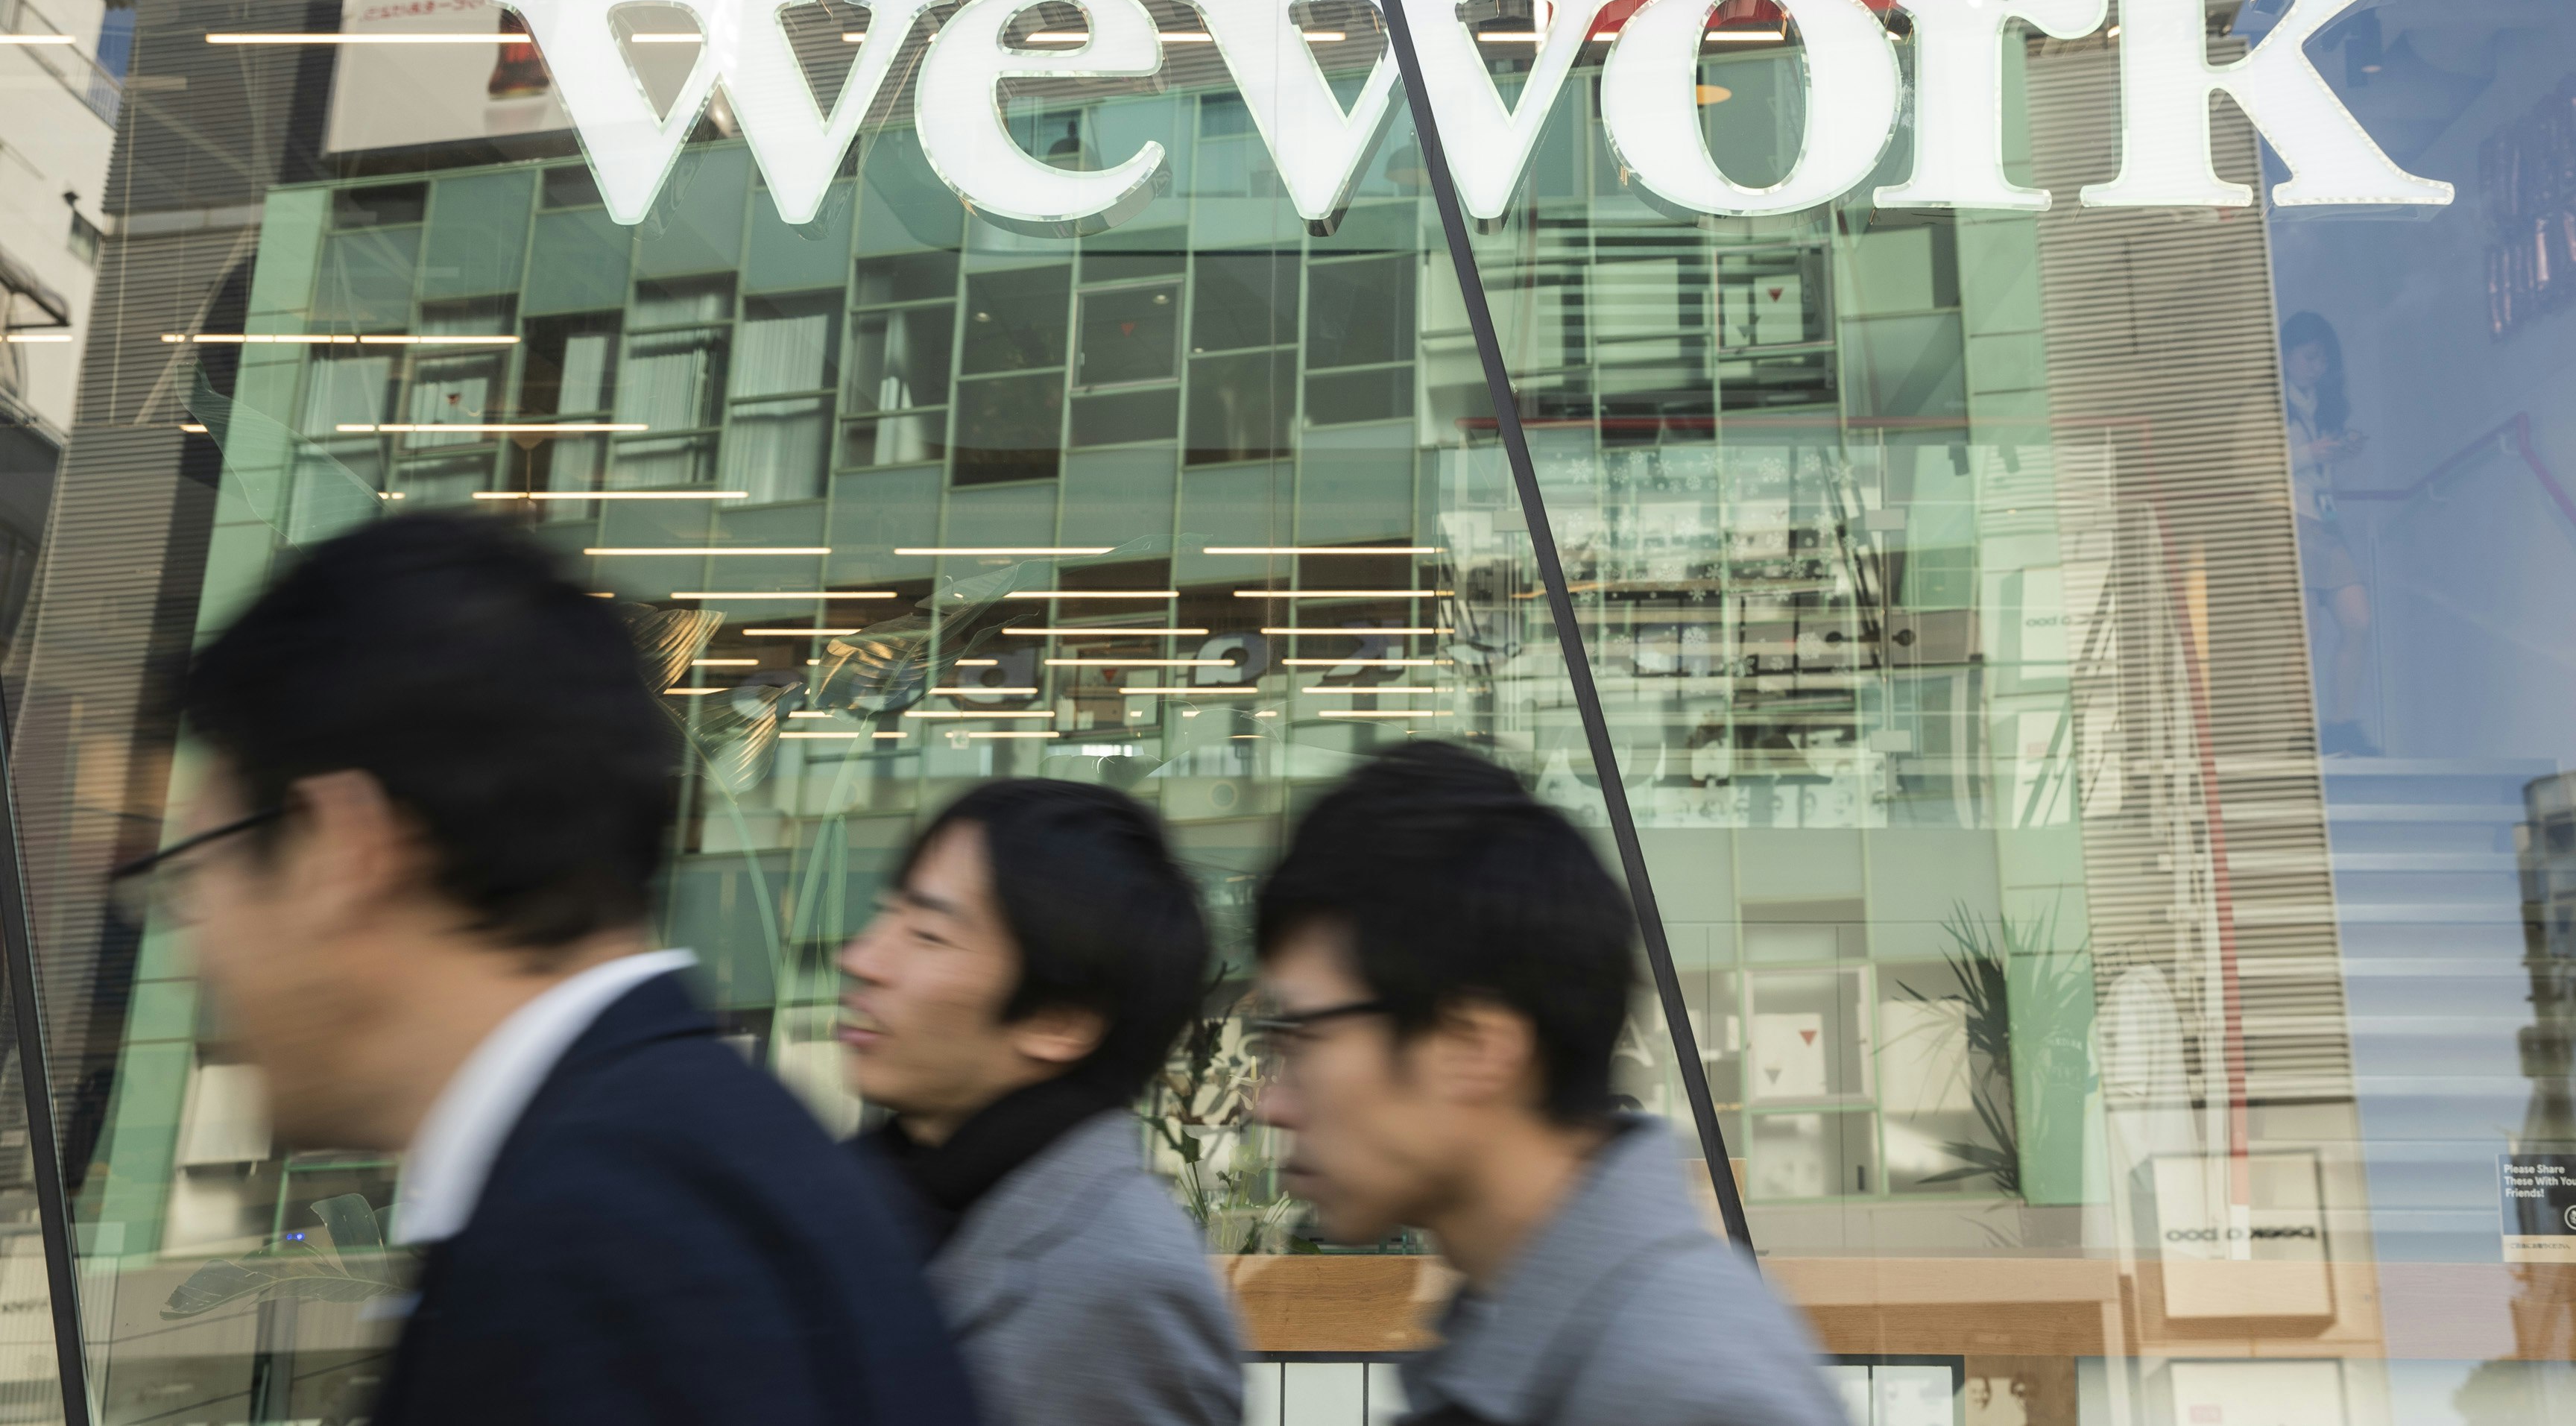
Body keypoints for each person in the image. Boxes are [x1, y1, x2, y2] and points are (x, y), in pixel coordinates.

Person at [148, 512, 975, 1426]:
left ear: (341, 849)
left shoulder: (593, 1266)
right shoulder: (716, 1167)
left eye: (199, 874)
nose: (197, 950)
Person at [1250, 745, 1844, 1426]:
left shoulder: (1686, 1387)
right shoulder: (1533, 1332)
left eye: (1303, 1037)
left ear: (1474, 1045)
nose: (1274, 1104)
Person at [839, 780, 1243, 1426]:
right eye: (885, 913)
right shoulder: (865, 1196)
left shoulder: (1122, 1282)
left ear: (1060, 1018)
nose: (861, 957)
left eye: (927, 934)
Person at [2280, 309, 2376, 755]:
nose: (2318, 368)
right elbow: (2246, 466)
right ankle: (2303, 734)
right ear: (2285, 356)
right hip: (2287, 519)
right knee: (2308, 632)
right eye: (2310, 358)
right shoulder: (2269, 402)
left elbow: (2318, 471)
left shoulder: (2324, 405)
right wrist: (2307, 452)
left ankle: (2341, 725)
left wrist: (2336, 450)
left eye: (2323, 360)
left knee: (2357, 620)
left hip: (2325, 520)